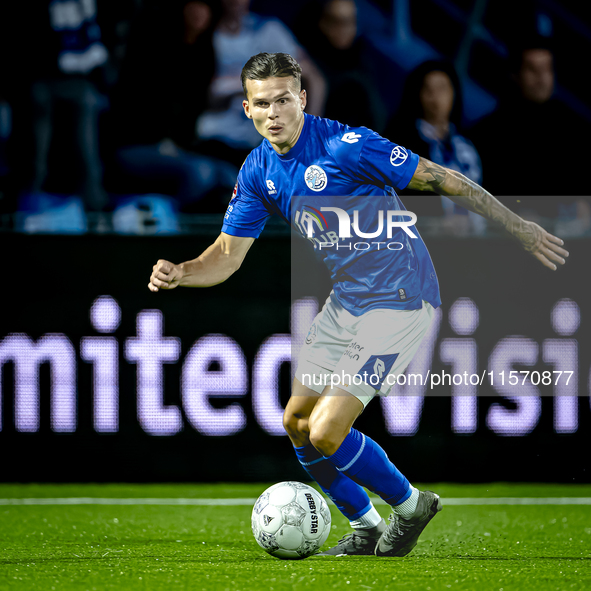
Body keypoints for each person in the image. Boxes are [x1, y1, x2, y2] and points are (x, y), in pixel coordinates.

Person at [147, 53, 568, 557]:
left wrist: (518, 227)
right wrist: (183, 271)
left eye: (284, 99)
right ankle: (365, 526)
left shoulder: (347, 147)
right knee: (296, 424)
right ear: (247, 110)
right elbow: (227, 255)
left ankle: (411, 505)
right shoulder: (259, 168)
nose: (274, 112)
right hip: (347, 301)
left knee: (326, 431)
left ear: (302, 99)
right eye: (263, 104)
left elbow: (442, 178)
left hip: (401, 297)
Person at [109, 0, 237, 210]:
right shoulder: (152, 50)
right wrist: (165, 141)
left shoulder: (204, 54)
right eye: (194, 6)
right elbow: (139, 108)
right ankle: (169, 225)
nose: (200, 13)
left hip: (177, 148)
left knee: (231, 177)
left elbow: (194, 113)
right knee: (200, 173)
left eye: (206, 8)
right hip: (136, 144)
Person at [471, 35, 591, 229]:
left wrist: (584, 204)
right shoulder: (488, 133)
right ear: (515, 74)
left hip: (570, 238)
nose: (542, 78)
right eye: (533, 70)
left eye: (547, 69)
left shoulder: (575, 128)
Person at [196, 0, 326, 167]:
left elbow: (314, 78)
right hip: (216, 139)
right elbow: (207, 95)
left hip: (266, 143)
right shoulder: (205, 32)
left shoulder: (269, 31)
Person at [385, 60, 484, 235]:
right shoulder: (400, 145)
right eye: (428, 90)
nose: (436, 97)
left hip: (473, 241)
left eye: (442, 88)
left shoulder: (467, 145)